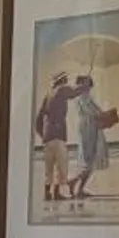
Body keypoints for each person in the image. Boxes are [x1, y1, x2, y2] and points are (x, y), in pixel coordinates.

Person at [36, 72, 84, 201]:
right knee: (61, 166)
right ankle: (56, 193)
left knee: (49, 168)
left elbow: (39, 118)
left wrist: (43, 134)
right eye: (65, 78)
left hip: (47, 137)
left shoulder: (48, 94)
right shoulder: (62, 89)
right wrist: (84, 85)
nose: (67, 80)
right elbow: (74, 92)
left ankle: (47, 193)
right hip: (58, 134)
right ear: (62, 80)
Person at [68, 75, 118, 199]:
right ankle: (74, 182)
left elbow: (96, 111)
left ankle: (79, 187)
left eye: (88, 83)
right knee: (89, 158)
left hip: (92, 126)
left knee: (91, 159)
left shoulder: (86, 96)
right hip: (88, 127)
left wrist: (106, 114)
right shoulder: (81, 97)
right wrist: (105, 115)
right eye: (86, 83)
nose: (89, 85)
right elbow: (92, 112)